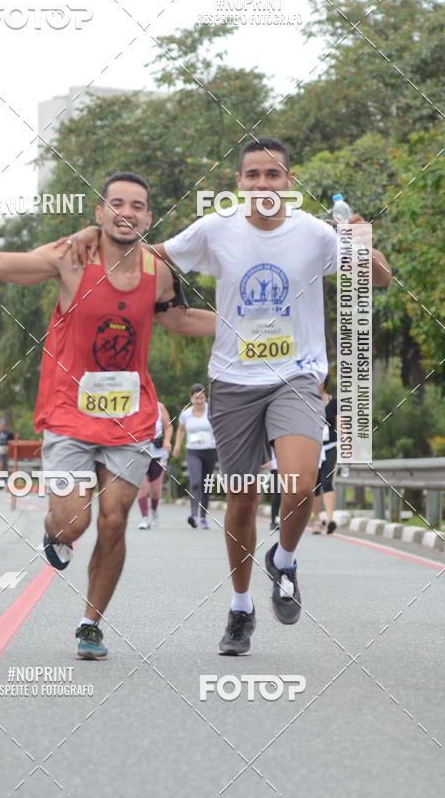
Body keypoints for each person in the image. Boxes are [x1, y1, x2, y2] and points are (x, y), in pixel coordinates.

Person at [0, 172, 215, 661]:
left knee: (115, 520)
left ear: (149, 217)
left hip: (130, 416)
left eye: (137, 206)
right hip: (70, 412)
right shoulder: (71, 258)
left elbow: (179, 318)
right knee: (74, 524)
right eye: (116, 203)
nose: (126, 213)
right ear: (99, 212)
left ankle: (91, 624)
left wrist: (246, 328)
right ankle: (56, 533)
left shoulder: (158, 272)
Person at [65, 137, 392, 657]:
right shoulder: (216, 229)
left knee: (299, 484)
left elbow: (380, 278)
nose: (263, 184)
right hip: (234, 382)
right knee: (241, 496)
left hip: (297, 376)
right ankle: (240, 608)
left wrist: (360, 244)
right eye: (253, 175)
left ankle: (284, 561)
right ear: (239, 182)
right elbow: (148, 255)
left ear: (289, 182)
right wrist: (97, 233)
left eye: (274, 175)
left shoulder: (315, 233)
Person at [172, 383, 217, 529]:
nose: (199, 401)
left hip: (210, 450)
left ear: (205, 398)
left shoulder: (212, 411)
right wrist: (177, 446)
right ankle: (193, 515)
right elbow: (180, 430)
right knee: (196, 482)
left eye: (202, 398)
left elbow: (220, 428)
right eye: (196, 398)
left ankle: (203, 517)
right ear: (191, 399)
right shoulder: (186, 414)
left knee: (206, 484)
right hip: (193, 451)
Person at [137, 401, 172, 529]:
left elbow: (168, 426)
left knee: (155, 490)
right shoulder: (134, 406)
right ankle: (145, 518)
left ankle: (154, 510)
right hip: (140, 453)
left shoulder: (159, 407)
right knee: (143, 488)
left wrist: (167, 441)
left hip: (158, 453)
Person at [311, 375, 338, 534]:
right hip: (313, 447)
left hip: (330, 446)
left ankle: (329, 520)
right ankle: (316, 520)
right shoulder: (308, 402)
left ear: (324, 383)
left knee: (327, 482)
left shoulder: (334, 402)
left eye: (319, 381)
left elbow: (341, 425)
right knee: (315, 484)